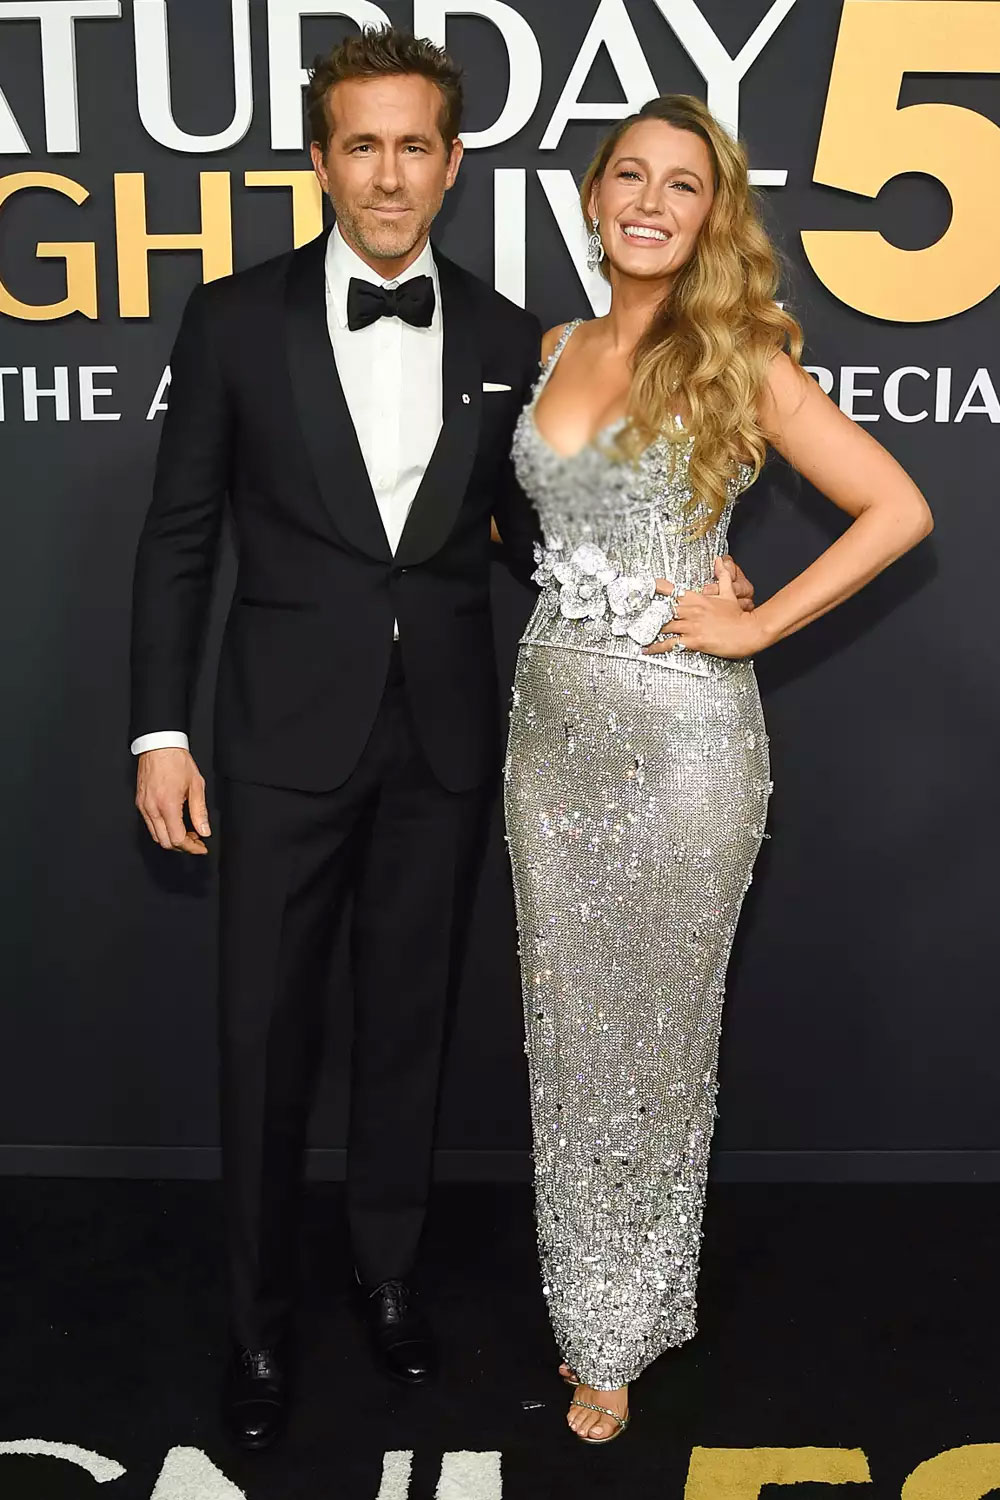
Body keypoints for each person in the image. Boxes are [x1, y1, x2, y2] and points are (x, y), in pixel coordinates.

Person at [128, 25, 551, 1450]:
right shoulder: (231, 320)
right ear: (320, 161)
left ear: (453, 161)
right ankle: (255, 1327)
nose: (387, 174)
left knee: (408, 1025)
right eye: (361, 145)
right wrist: (159, 732)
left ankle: (387, 1272)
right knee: (264, 1038)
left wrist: (673, 571)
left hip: (441, 739)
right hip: (273, 741)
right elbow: (179, 540)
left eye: (413, 145)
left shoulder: (503, 335)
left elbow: (539, 533)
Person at [503, 94, 933, 1446]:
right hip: (551, 740)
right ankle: (597, 1299)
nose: (650, 201)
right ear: (592, 198)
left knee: (660, 1039)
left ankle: (619, 1327)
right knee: (570, 1035)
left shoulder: (736, 357)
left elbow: (898, 508)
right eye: (629, 176)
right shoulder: (556, 346)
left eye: (681, 184)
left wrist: (752, 619)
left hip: (686, 743)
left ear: (711, 215)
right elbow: (551, 520)